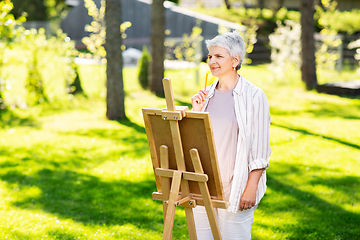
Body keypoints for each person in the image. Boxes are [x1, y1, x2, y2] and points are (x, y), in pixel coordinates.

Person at [191, 30, 271, 240]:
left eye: (219, 56)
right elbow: (195, 141)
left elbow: (260, 149)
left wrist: (250, 188)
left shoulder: (254, 96)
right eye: (210, 56)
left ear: (236, 60)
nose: (212, 61)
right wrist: (196, 112)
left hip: (235, 185)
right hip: (204, 183)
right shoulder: (205, 94)